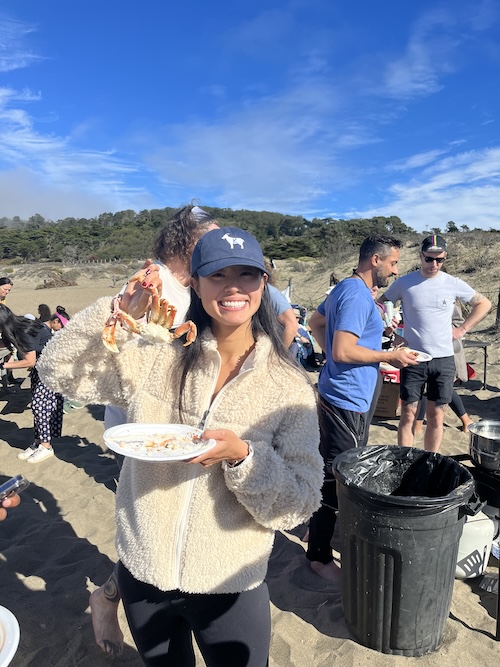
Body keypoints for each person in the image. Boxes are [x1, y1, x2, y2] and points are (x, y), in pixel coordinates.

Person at [38, 226, 324, 667]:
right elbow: (58, 372)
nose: (233, 287)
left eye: (246, 274)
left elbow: (300, 504)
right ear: (195, 282)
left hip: (230, 582)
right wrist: (115, 312)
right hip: (143, 573)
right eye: (217, 274)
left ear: (264, 282)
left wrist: (244, 458)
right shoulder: (158, 356)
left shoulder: (288, 387)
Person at [306, 235, 418, 580]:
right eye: (393, 263)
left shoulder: (344, 288)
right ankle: (319, 556)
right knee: (338, 474)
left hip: (341, 391)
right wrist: (390, 356)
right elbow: (343, 350)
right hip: (347, 397)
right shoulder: (356, 295)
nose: (395, 270)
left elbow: (314, 323)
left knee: (334, 466)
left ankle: (314, 534)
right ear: (375, 260)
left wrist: (331, 361)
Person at [379, 234, 491, 452]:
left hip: (443, 359)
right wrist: (392, 331)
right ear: (421, 256)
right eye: (429, 259)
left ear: (445, 258)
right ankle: (405, 458)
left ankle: (431, 460)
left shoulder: (452, 283)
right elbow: (381, 304)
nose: (434, 264)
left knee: (436, 415)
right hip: (412, 357)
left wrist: (462, 329)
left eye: (439, 260)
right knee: (408, 414)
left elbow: (483, 303)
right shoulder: (405, 282)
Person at [0, 304, 64, 463]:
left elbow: (29, 361)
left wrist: (4, 365)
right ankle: (38, 443)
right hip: (41, 368)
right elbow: (5, 343)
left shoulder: (24, 331)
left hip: (51, 368)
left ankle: (46, 446)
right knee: (38, 407)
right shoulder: (16, 325)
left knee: (40, 406)